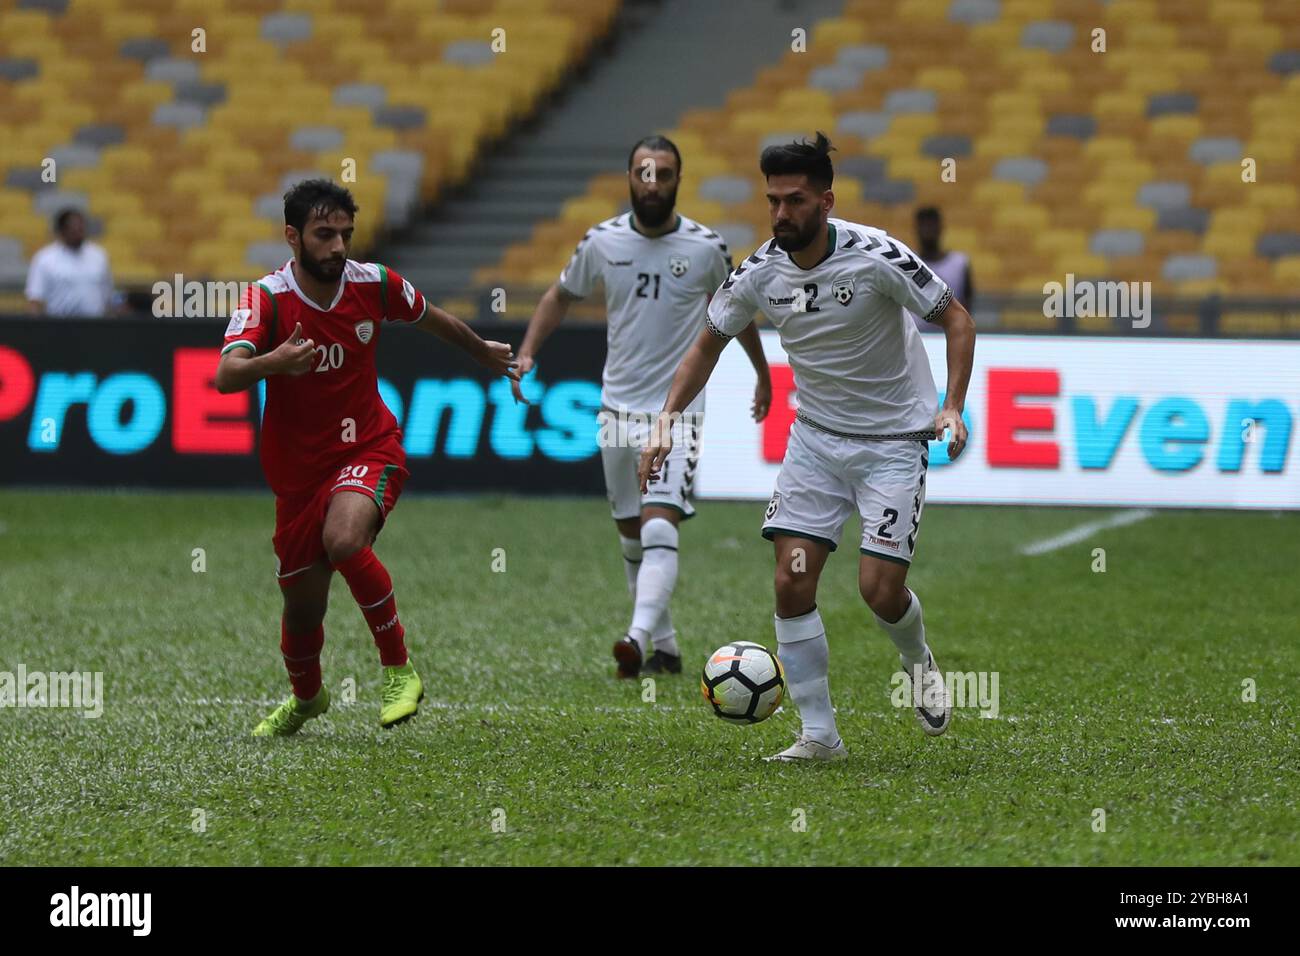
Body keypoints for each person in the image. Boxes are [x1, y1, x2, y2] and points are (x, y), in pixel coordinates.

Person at [639, 133, 977, 761]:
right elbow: (707, 342)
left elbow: (956, 317)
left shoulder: (877, 256)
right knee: (792, 583)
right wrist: (666, 419)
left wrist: (950, 405)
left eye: (794, 201)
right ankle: (820, 735)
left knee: (878, 590)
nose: (780, 215)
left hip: (895, 443)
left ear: (826, 201)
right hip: (816, 442)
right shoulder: (758, 272)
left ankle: (917, 659)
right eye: (772, 201)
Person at [214, 179, 518, 736]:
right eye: (323, 234)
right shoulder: (267, 298)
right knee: (302, 609)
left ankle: (400, 670)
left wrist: (482, 352)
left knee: (345, 540)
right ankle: (307, 700)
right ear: (292, 237)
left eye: (345, 235)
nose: (337, 247)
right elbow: (225, 373)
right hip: (298, 476)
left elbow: (433, 318)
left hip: (369, 446)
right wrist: (274, 361)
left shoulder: (373, 283)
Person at [513, 135, 773, 679]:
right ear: (629, 177)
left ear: (679, 180)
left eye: (663, 173)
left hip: (676, 413)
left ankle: (633, 635)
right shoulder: (602, 242)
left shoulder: (705, 248)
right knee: (630, 532)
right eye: (642, 172)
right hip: (615, 410)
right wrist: (529, 351)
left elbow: (737, 312)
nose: (652, 182)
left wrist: (762, 372)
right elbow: (560, 294)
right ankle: (666, 648)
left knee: (659, 525)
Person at [25, 208, 115, 317]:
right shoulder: (45, 258)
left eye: (81, 228)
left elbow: (107, 293)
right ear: (62, 231)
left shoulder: (98, 255)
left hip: (95, 324)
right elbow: (35, 297)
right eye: (73, 229)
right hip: (60, 326)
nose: (78, 233)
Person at [909, 206, 973, 331]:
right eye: (924, 225)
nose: (928, 230)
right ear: (916, 229)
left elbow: (967, 305)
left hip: (951, 337)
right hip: (915, 339)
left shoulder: (959, 263)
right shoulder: (907, 262)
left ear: (941, 228)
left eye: (932, 225)